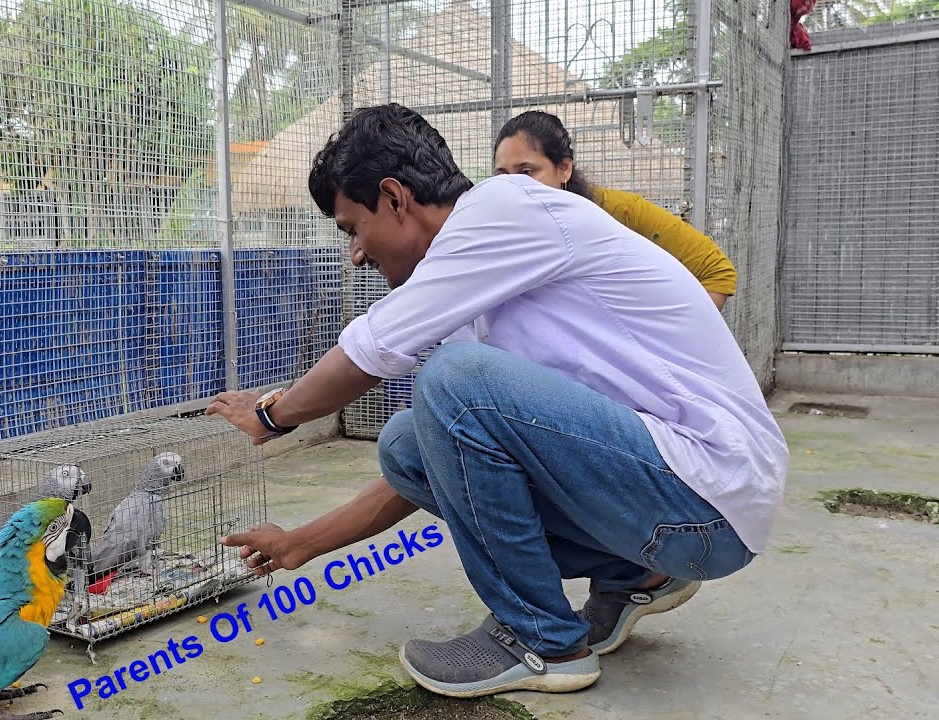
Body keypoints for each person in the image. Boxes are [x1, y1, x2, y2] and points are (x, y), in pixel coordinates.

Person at [205, 103, 788, 697]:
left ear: (395, 197)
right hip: (674, 514)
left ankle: (540, 640)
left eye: (353, 227)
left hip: (709, 497)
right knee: (409, 442)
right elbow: (437, 468)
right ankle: (633, 573)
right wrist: (300, 544)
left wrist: (272, 415)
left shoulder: (506, 208)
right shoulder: (478, 287)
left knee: (451, 381)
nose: (355, 253)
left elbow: (369, 353)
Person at [490, 110, 737, 311]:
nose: (514, 185)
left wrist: (663, 343)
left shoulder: (619, 212)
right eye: (502, 174)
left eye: (527, 172)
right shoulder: (500, 231)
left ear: (564, 168)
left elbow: (717, 273)